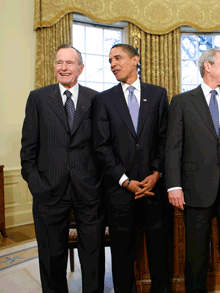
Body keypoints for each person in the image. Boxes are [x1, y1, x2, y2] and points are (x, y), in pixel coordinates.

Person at [165, 48, 220, 293]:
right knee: (195, 252)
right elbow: (173, 147)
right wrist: (174, 185)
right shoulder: (182, 102)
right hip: (195, 189)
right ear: (208, 66)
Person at [20, 44, 104, 293]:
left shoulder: (96, 99)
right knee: (50, 256)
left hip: (88, 192)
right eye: (59, 62)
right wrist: (37, 186)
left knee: (93, 255)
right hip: (49, 192)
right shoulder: (38, 98)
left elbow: (103, 146)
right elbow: (28, 150)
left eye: (69, 63)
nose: (64, 67)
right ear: (54, 67)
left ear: (80, 68)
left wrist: (98, 183)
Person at [93, 44, 169, 293]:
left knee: (159, 251)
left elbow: (165, 138)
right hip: (119, 192)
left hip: (153, 189)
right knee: (122, 255)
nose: (113, 64)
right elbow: (101, 147)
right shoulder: (103, 100)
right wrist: (125, 181)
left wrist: (156, 173)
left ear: (136, 59)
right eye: (110, 60)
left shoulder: (158, 95)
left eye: (118, 58)